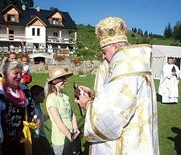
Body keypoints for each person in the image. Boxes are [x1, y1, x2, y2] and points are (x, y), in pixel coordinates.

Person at [74, 16, 159, 154]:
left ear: (115, 46)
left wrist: (88, 105)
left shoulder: (125, 72)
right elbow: (122, 102)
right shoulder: (135, 66)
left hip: (127, 146)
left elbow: (109, 121)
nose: (103, 57)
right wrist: (95, 95)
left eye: (104, 52)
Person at [0, 60, 40, 155]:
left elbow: (31, 109)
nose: (19, 77)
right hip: (7, 146)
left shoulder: (24, 90)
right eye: (15, 73)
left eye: (20, 73)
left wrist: (36, 118)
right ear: (5, 74)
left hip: (28, 139)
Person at [45, 66, 81, 155]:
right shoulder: (51, 99)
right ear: (54, 81)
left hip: (72, 135)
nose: (65, 81)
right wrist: (71, 137)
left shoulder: (65, 95)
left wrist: (76, 129)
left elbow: (71, 114)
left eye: (65, 79)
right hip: (61, 140)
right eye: (62, 79)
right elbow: (59, 123)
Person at [30, 85, 53, 155]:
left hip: (40, 136)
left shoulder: (37, 106)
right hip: (38, 137)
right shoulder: (34, 109)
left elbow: (42, 118)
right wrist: (37, 138)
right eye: (42, 95)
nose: (44, 97)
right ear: (35, 96)